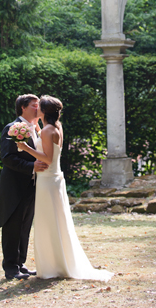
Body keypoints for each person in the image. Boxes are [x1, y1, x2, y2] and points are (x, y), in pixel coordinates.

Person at [16, 95, 113, 281]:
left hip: (47, 181)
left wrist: (25, 148)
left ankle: (52, 266)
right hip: (54, 179)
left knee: (48, 222)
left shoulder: (47, 131)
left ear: (44, 111)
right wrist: (34, 126)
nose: (36, 109)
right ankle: (57, 262)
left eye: (39, 107)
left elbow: (47, 158)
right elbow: (47, 144)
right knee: (56, 220)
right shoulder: (55, 127)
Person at [0, 94, 48, 280]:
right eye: (35, 105)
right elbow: (7, 158)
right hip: (14, 186)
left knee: (25, 226)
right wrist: (31, 166)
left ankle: (21, 263)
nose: (38, 108)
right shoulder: (12, 128)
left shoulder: (37, 129)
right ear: (23, 108)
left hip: (32, 186)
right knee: (13, 226)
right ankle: (10, 267)